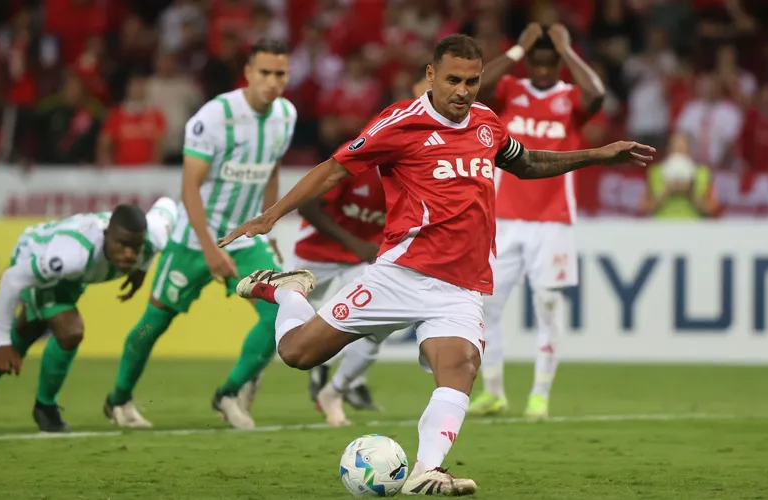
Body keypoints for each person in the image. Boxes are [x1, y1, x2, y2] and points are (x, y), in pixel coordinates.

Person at [219, 34, 652, 495]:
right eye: (453, 80)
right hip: (401, 275)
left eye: (472, 81)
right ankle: (288, 290)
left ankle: (427, 469)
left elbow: (527, 163)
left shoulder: (486, 123)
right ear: (431, 76)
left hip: (461, 288)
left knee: (461, 364)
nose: (463, 91)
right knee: (298, 354)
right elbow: (333, 168)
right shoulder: (399, 123)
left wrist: (597, 155)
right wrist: (271, 215)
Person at [103, 38, 297, 430]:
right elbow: (189, 188)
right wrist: (209, 248)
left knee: (283, 313)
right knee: (152, 325)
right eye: (265, 73)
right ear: (248, 73)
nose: (272, 82)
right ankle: (119, 399)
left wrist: (268, 224)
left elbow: (272, 171)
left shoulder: (286, 115)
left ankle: (228, 393)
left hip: (246, 240)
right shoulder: (215, 116)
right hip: (194, 240)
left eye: (280, 74)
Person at [468, 22, 606, 420]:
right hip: (504, 218)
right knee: (488, 306)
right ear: (528, 62)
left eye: (551, 64)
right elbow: (474, 87)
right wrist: (515, 51)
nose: (543, 71)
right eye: (537, 62)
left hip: (553, 220)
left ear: (558, 65)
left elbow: (597, 94)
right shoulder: (511, 90)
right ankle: (494, 392)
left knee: (547, 305)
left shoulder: (570, 98)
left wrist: (567, 48)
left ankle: (540, 394)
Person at [0, 199, 177, 432]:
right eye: (121, 245)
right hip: (34, 252)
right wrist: (1, 342)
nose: (129, 254)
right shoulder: (72, 256)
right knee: (70, 331)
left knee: (29, 329)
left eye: (136, 247)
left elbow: (168, 205)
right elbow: (12, 279)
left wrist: (141, 270)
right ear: (106, 235)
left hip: (72, 278)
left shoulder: (154, 237)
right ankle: (45, 407)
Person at [300, 69, 433, 424]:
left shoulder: (417, 172)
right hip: (318, 254)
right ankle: (247, 386)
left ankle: (336, 388)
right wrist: (355, 242)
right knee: (290, 330)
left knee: (377, 330)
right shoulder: (358, 164)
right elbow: (309, 204)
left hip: (370, 259)